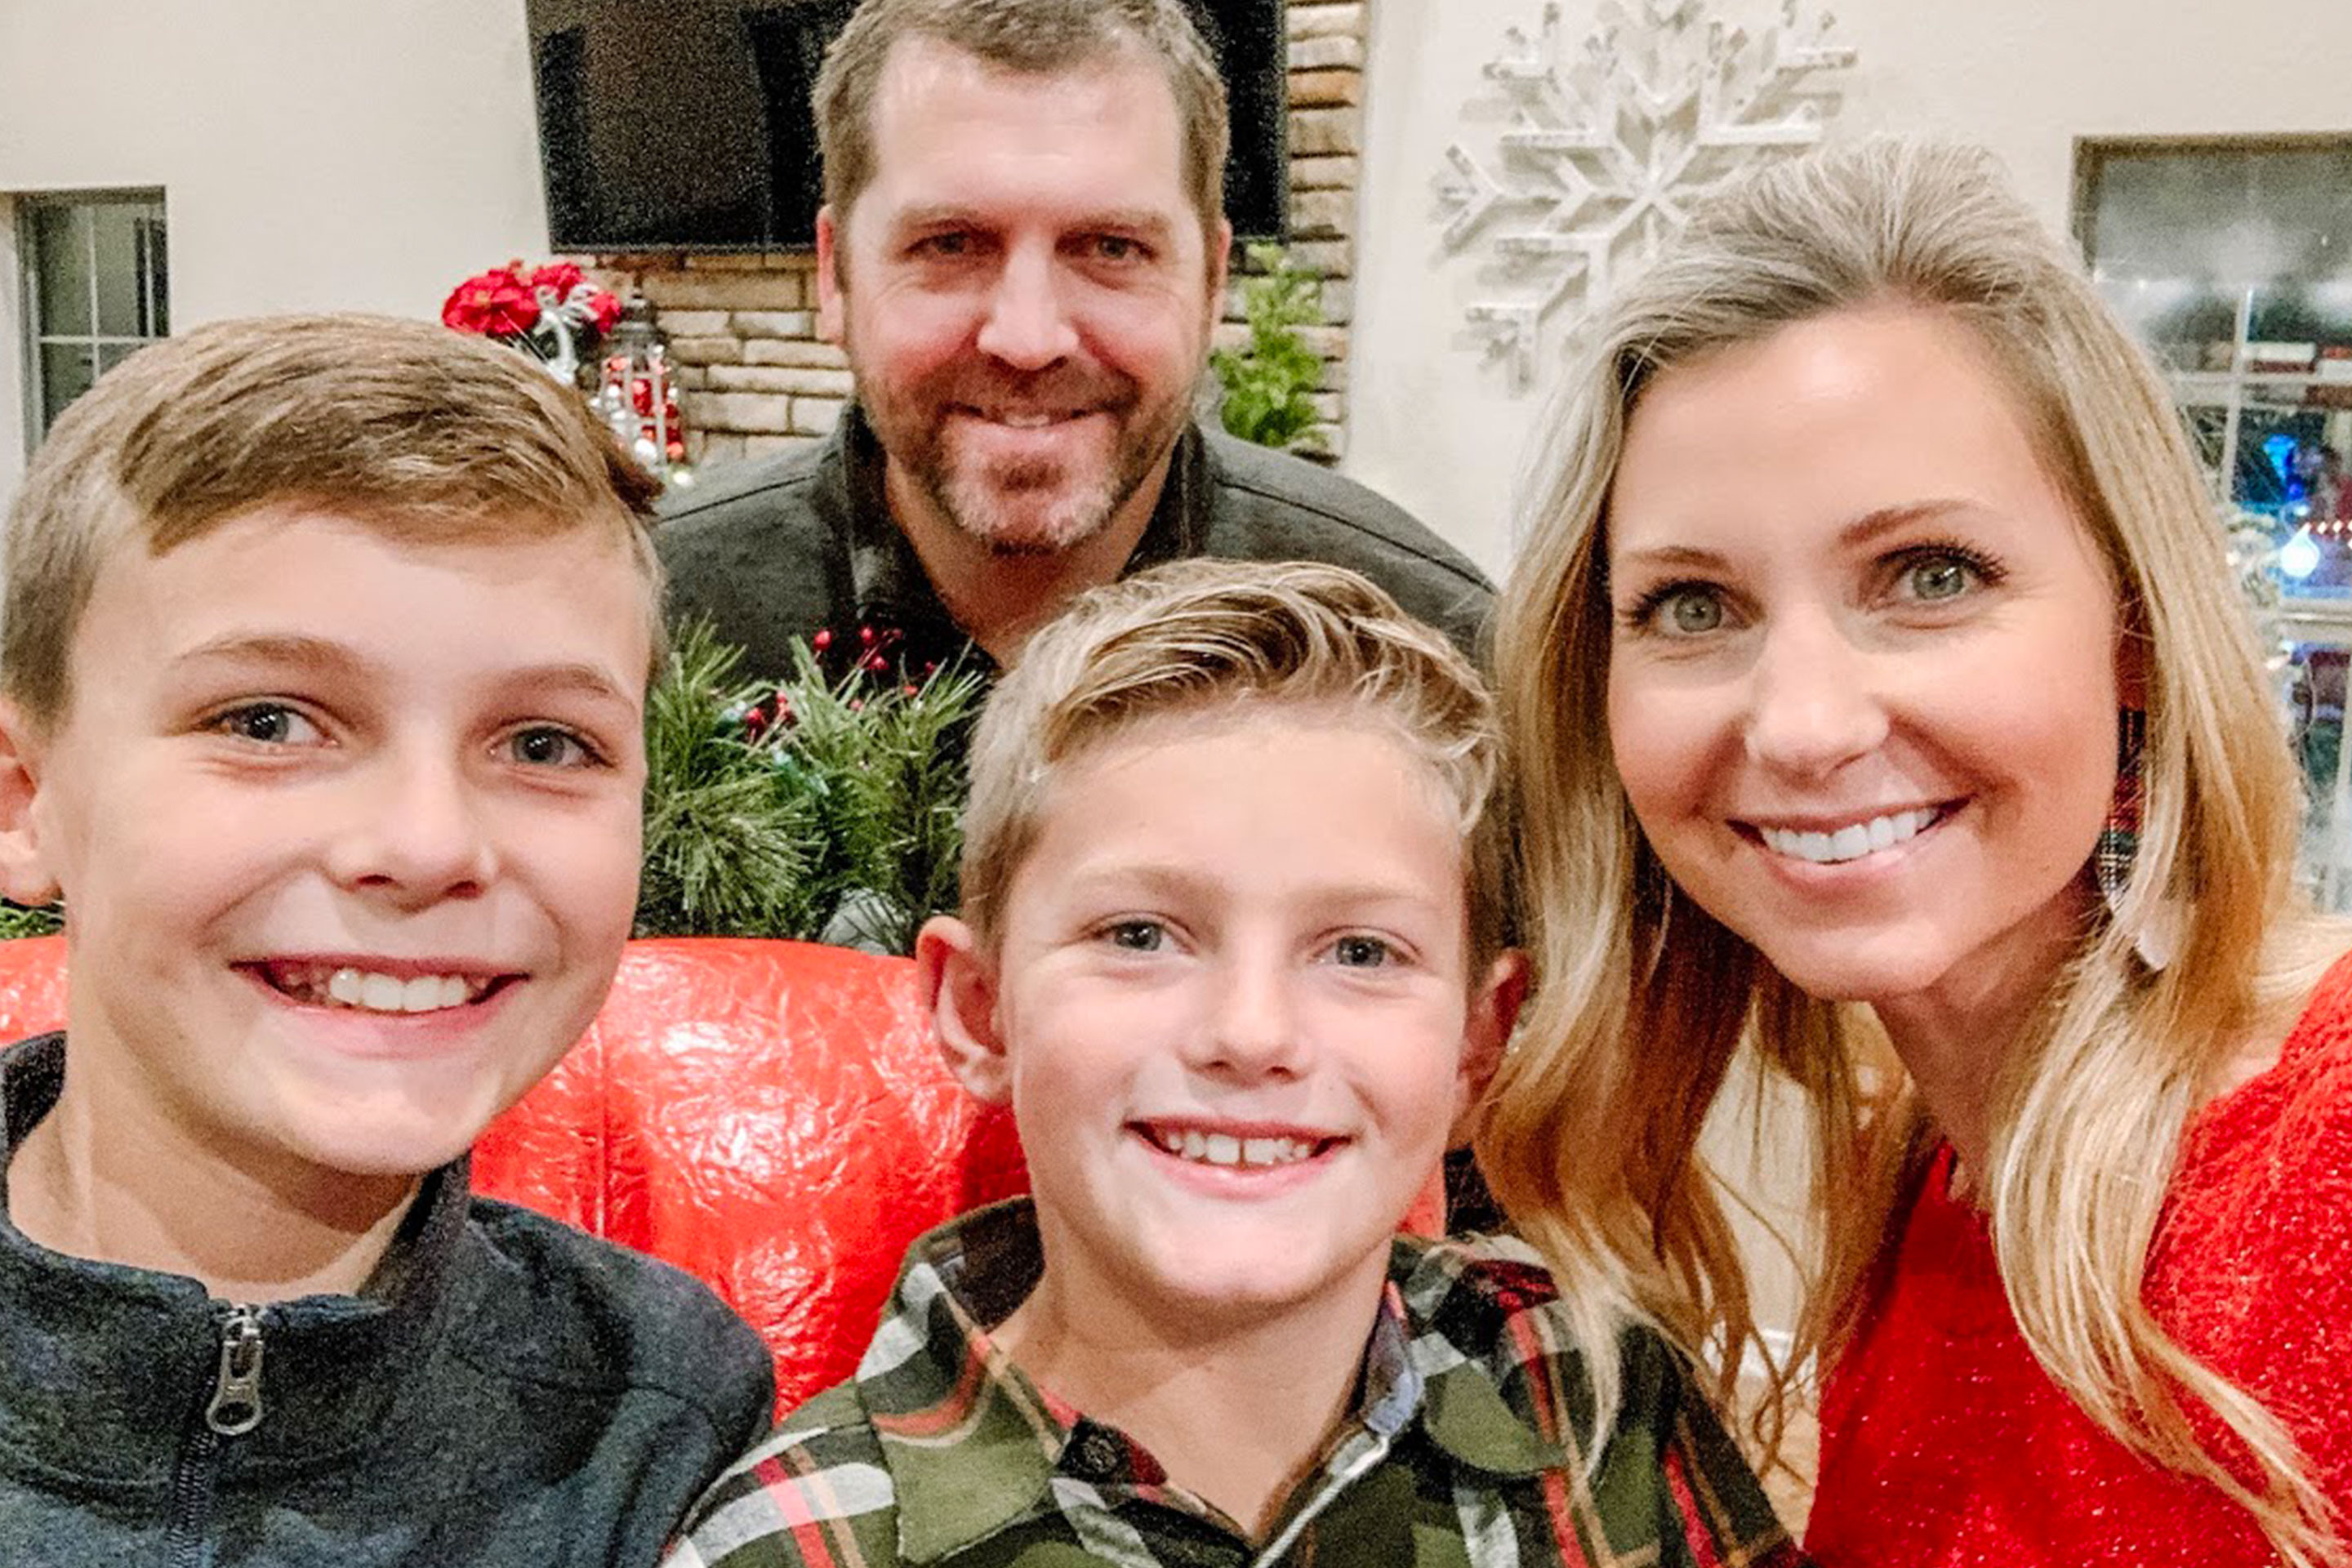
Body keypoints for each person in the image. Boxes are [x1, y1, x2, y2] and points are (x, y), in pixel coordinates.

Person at [1481, 139, 2352, 1568]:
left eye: (1932, 577)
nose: (1806, 725)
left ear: (2133, 629)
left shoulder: (2324, 1138)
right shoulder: (1928, 1173)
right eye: (1693, 604)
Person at [663, 560, 1798, 1567]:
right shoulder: (790, 1543)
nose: (1252, 1034)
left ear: (1476, 1043)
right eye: (1140, 936)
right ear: (980, 1011)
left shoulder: (1596, 1401)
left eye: (1360, 950)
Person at [0, 314, 775, 1565]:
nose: (425, 845)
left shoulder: (664, 1423)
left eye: (543, 744)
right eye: (267, 721)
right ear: (28, 802)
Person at [654, 0, 1491, 690]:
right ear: (835, 278)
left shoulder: (1430, 650)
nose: (1028, 339)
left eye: (1111, 248)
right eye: (950, 244)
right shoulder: (644, 619)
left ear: (1212, 282)